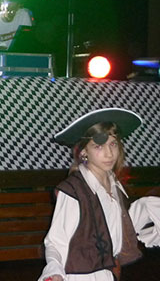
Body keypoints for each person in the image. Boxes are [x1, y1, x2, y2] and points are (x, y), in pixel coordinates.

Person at [37, 108, 143, 281]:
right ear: (84, 152)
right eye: (98, 146)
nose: (109, 154)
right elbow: (56, 241)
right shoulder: (74, 190)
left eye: (113, 144)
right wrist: (54, 271)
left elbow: (115, 228)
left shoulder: (115, 186)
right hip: (81, 276)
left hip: (107, 273)